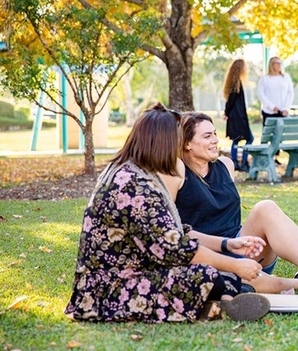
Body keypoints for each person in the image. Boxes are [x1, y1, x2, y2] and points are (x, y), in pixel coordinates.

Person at [65, 103, 270, 323]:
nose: (178, 148)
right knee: (206, 274)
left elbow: (174, 231)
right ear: (162, 143)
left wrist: (227, 245)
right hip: (107, 289)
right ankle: (222, 303)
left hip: (130, 272)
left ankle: (221, 302)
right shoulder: (133, 186)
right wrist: (235, 264)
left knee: (208, 273)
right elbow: (174, 248)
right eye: (176, 142)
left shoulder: (133, 171)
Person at [165, 111, 298, 303]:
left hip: (243, 251)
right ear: (187, 143)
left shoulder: (226, 165)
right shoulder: (177, 172)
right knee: (245, 285)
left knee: (266, 207)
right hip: (210, 258)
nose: (215, 140)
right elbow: (175, 232)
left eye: (215, 133)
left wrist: (241, 244)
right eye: (207, 136)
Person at [257, 56, 294, 165]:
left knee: (279, 135)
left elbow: (290, 93)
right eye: (276, 63)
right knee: (267, 135)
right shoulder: (265, 79)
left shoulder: (285, 77)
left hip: (282, 112)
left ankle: (275, 156)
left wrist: (286, 108)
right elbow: (261, 94)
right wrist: (272, 106)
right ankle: (264, 156)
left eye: (279, 63)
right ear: (271, 65)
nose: (278, 65)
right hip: (269, 112)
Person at [223, 59, 254, 173]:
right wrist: (227, 112)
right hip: (239, 117)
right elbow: (231, 101)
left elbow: (229, 101)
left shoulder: (233, 83)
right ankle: (243, 162)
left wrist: (227, 112)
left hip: (235, 117)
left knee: (236, 140)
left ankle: (236, 162)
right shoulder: (237, 84)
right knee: (248, 139)